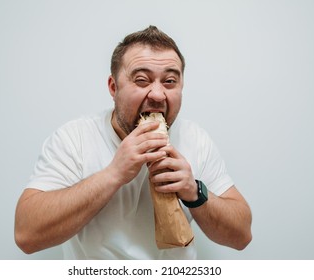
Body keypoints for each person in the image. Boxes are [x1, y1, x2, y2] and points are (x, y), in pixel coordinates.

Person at [14, 25, 252, 259]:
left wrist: (194, 191)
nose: (158, 95)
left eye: (169, 81)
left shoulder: (195, 138)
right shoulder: (75, 138)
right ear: (113, 87)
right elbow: (26, 235)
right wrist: (114, 174)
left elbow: (241, 236)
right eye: (141, 80)